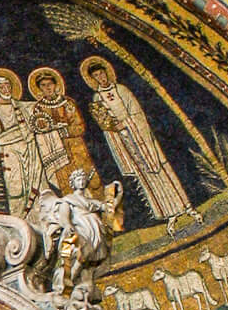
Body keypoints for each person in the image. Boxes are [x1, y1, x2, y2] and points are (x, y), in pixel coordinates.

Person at [80, 55, 192, 226]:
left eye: (102, 73)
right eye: (96, 76)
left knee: (160, 168)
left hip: (140, 136)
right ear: (92, 80)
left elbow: (137, 113)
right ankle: (166, 212)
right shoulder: (97, 98)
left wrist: (125, 124)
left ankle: (185, 205)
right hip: (125, 141)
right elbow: (105, 125)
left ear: (107, 72)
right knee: (144, 175)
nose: (100, 78)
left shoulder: (122, 90)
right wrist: (114, 129)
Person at [0, 68, 43, 215]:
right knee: (15, 185)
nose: (6, 89)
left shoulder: (21, 105)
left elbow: (35, 108)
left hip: (29, 147)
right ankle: (18, 215)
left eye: (8, 86)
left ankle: (36, 216)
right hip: (10, 150)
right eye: (2, 87)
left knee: (35, 181)